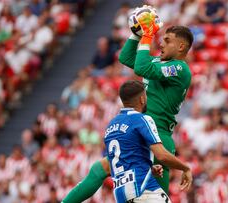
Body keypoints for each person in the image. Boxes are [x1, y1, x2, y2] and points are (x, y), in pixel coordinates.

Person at [62, 6, 194, 202]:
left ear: (181, 47)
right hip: (140, 129)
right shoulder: (160, 63)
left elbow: (140, 66)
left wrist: (147, 37)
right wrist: (136, 34)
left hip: (157, 133)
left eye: (167, 40)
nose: (162, 43)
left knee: (153, 193)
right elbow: (125, 58)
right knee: (101, 168)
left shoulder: (180, 69)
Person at [63, 80, 192, 203]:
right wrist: (185, 168)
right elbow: (161, 155)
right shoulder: (142, 119)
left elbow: (122, 161)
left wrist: (149, 168)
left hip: (121, 194)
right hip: (144, 190)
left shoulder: (111, 125)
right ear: (142, 99)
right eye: (145, 96)